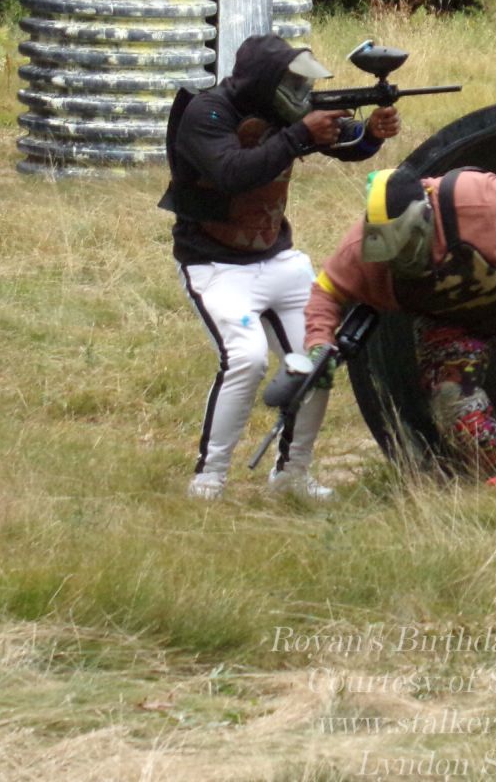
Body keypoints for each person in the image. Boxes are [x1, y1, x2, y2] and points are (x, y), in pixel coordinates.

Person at [159, 34, 400, 500]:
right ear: (266, 82)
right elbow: (232, 172)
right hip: (215, 265)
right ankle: (209, 477)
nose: (301, 93)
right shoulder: (206, 113)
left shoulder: (286, 114)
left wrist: (370, 134)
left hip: (278, 258)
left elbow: (343, 142)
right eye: (292, 84)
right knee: (245, 360)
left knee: (318, 359)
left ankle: (292, 475)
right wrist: (300, 134)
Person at [302, 166, 496, 481]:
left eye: (407, 247)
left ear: (424, 218)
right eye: (391, 253)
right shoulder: (360, 250)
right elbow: (326, 291)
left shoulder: (480, 201)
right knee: (452, 400)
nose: (399, 260)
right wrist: (319, 345)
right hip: (450, 323)